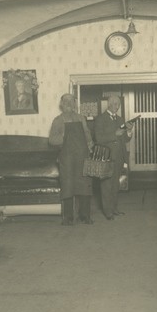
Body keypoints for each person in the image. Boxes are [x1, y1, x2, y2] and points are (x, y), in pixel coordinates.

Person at [49, 94, 94, 225]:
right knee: (67, 187)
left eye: (71, 101)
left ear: (75, 104)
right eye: (66, 101)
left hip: (82, 157)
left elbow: (87, 135)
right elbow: (52, 140)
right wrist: (63, 136)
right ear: (61, 104)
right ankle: (68, 218)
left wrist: (90, 146)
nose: (69, 103)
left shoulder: (81, 118)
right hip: (67, 158)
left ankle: (85, 216)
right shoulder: (58, 120)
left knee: (85, 185)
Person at [94, 96, 133, 220]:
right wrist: (114, 134)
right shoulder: (100, 119)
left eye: (119, 104)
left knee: (116, 184)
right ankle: (108, 212)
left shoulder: (120, 119)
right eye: (115, 104)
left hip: (119, 157)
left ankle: (114, 209)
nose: (117, 106)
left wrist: (129, 131)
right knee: (106, 184)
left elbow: (126, 139)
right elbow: (99, 138)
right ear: (109, 104)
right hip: (106, 156)